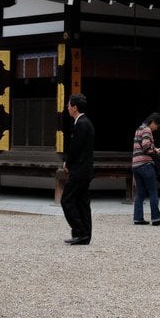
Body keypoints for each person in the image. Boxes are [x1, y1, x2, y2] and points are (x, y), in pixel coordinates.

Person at [61, 93, 94, 245]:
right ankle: (84, 235)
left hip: (79, 170)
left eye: (68, 105)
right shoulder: (86, 122)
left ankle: (80, 231)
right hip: (85, 169)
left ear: (74, 108)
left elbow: (75, 148)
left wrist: (67, 163)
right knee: (82, 202)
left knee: (66, 200)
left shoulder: (81, 124)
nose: (67, 108)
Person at [131, 112, 160, 227]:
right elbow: (146, 147)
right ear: (152, 122)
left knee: (140, 193)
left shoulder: (139, 129)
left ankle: (138, 218)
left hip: (136, 165)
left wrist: (155, 148)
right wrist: (156, 151)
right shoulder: (147, 130)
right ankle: (156, 218)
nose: (156, 128)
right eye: (157, 126)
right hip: (145, 165)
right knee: (153, 192)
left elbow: (141, 146)